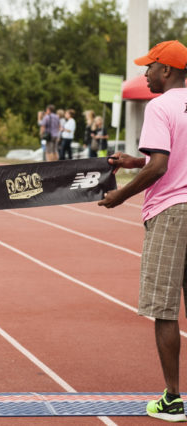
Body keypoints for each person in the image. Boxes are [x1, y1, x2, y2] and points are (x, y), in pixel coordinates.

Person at [98, 40, 187, 423]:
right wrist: (136, 161)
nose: (144, 74)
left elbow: (162, 167)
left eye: (148, 67)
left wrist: (120, 195)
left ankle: (171, 399)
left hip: (171, 212)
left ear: (166, 70)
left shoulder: (159, 105)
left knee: (165, 309)